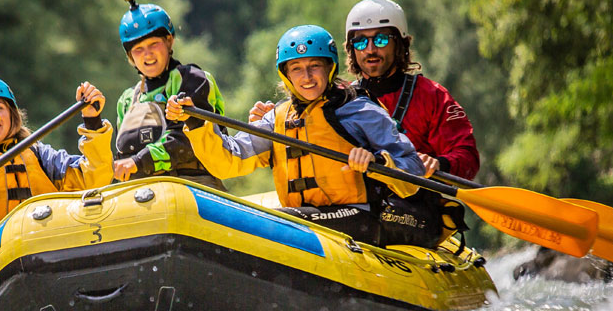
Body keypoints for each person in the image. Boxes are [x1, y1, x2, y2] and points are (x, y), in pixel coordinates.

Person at [167, 25, 442, 247]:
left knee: (277, 224)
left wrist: (377, 162)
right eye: (296, 68)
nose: (307, 77)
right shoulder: (276, 119)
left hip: (357, 217)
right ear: (286, 75)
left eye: (314, 66)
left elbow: (411, 172)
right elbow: (228, 162)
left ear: (330, 68)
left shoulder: (358, 109)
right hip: (305, 221)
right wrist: (196, 121)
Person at [343, 0, 480, 180]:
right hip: (362, 206)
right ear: (351, 49)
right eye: (360, 42)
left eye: (381, 39)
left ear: (400, 44)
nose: (370, 49)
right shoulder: (341, 100)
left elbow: (468, 157)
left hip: (419, 203)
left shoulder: (433, 96)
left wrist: (439, 163)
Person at [0, 76, 114, 234]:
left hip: (45, 249)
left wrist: (92, 120)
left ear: (12, 114)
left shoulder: (41, 156)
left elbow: (93, 180)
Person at [112, 0, 228, 191]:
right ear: (130, 57)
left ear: (169, 41)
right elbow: (122, 156)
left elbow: (188, 141)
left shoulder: (192, 78)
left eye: (153, 44)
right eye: (138, 49)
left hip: (193, 185)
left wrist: (140, 161)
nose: (147, 55)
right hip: (142, 192)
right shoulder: (128, 99)